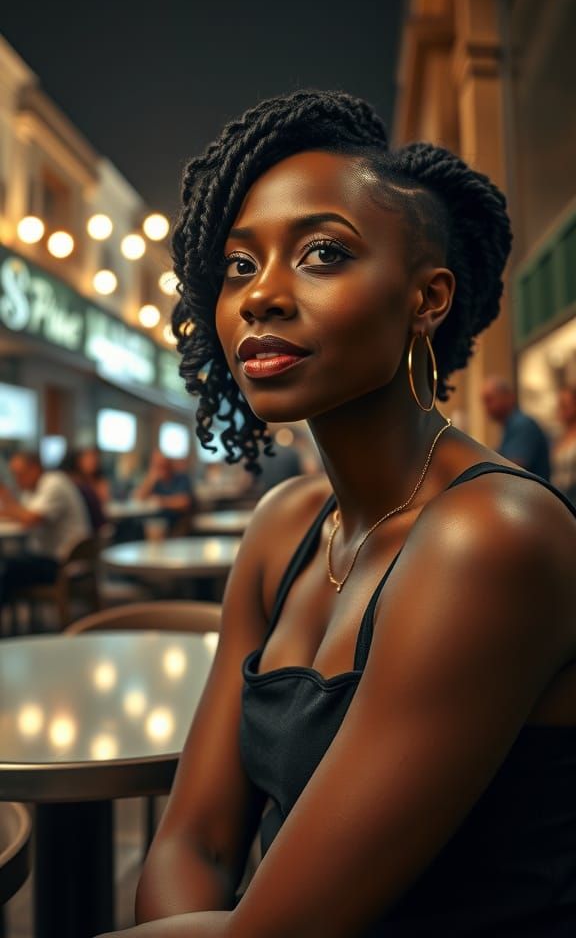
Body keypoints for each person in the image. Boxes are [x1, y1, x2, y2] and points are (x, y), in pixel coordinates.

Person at [100, 91, 576, 938]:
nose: (261, 297)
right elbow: (195, 846)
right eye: (240, 266)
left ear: (427, 299)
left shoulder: (494, 535)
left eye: (322, 253)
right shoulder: (284, 526)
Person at [0, 450, 91, 608]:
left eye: (19, 474)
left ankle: (9, 629)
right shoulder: (33, 489)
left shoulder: (54, 483)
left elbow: (30, 519)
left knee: (6, 569)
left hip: (64, 563)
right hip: (52, 557)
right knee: (9, 566)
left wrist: (5, 496)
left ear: (34, 468)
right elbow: (21, 514)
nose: (16, 480)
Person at [481, 376, 551, 479]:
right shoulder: (510, 426)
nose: (486, 407)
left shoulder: (522, 424)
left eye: (489, 400)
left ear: (508, 397)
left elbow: (512, 469)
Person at [133, 449, 194, 532]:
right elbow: (139, 498)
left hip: (176, 522)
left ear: (169, 464)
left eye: (163, 464)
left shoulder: (181, 478)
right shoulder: (155, 481)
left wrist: (161, 501)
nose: (161, 468)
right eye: (156, 465)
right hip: (153, 521)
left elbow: (184, 502)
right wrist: (151, 479)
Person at [551, 385, 576, 501]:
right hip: (561, 499)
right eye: (559, 405)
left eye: (564, 405)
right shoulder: (559, 436)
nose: (560, 409)